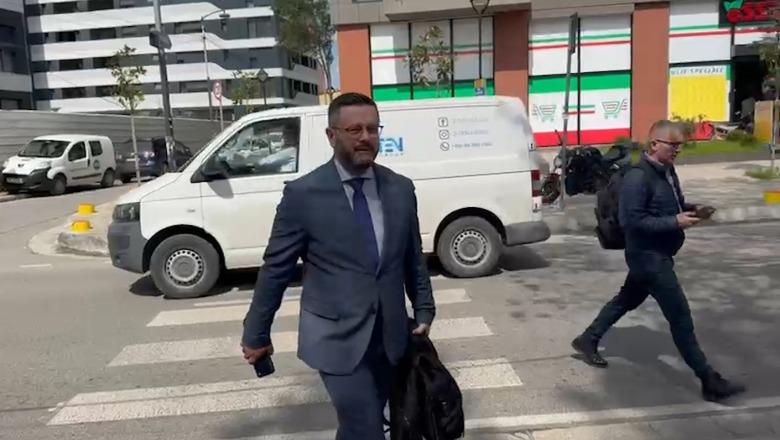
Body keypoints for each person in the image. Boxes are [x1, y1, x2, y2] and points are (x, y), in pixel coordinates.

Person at [241, 92, 436, 439]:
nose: (365, 137)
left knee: (358, 427)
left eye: (373, 129)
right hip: (335, 339)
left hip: (390, 337)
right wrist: (256, 333)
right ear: (332, 136)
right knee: (367, 429)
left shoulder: (400, 189)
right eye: (354, 130)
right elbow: (276, 267)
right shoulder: (303, 194)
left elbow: (412, 255)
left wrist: (424, 307)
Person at [571, 120, 746, 403]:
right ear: (654, 144)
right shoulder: (638, 178)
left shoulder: (668, 172)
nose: (678, 150)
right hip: (647, 258)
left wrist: (692, 210)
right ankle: (709, 380)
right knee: (681, 318)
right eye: (672, 145)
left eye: (680, 146)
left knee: (626, 300)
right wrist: (674, 222)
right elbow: (631, 221)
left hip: (658, 254)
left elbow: (671, 205)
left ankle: (588, 339)